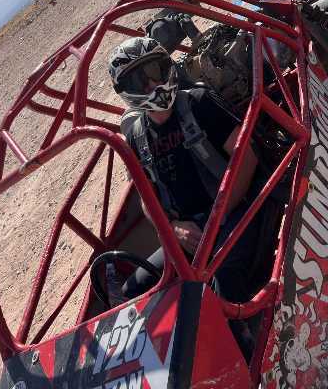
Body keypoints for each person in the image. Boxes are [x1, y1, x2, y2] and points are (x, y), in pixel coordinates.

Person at [108, 36, 260, 321]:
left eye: (154, 71)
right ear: (126, 91)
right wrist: (172, 228)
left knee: (223, 284)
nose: (152, 85)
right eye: (139, 81)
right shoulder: (136, 137)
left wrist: (218, 216)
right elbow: (147, 200)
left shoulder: (198, 102)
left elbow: (246, 157)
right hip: (188, 233)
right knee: (131, 292)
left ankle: (245, 341)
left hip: (235, 212)